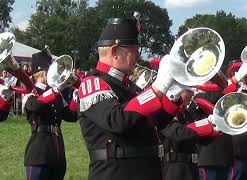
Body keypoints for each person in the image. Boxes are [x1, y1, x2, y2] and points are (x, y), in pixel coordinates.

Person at [77, 15, 191, 180]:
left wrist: (175, 94)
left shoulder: (129, 86)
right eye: (134, 49)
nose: (138, 55)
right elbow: (116, 119)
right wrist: (158, 87)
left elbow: (157, 121)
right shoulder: (93, 82)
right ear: (115, 51)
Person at [22, 50, 78, 180]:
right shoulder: (31, 92)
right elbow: (35, 106)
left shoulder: (56, 94)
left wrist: (77, 97)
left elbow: (71, 116)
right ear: (46, 72)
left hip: (57, 153)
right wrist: (56, 90)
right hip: (38, 154)